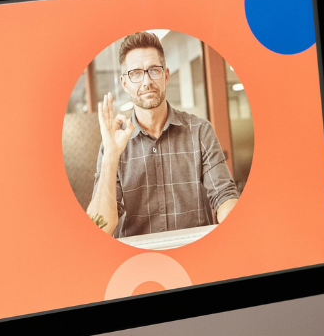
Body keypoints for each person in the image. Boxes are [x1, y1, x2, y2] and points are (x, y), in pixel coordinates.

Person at [87, 31, 239, 239]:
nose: (147, 81)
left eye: (153, 70)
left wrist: (236, 232)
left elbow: (224, 196)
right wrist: (111, 158)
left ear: (166, 76)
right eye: (136, 74)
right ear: (125, 83)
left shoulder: (200, 131)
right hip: (137, 263)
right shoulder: (112, 145)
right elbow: (100, 227)